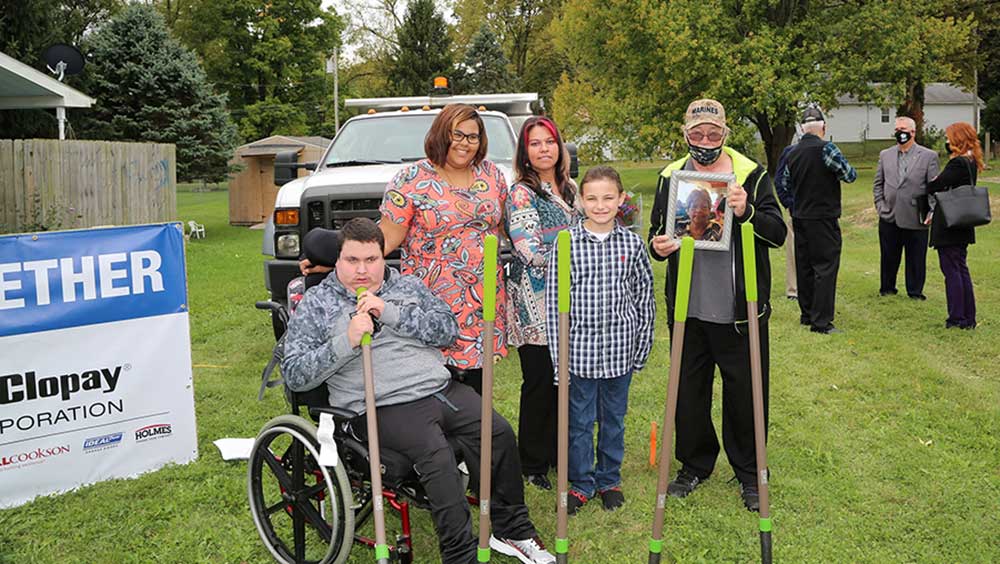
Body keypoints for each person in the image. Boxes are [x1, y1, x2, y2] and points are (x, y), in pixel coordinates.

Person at [282, 218, 555, 564]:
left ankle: (512, 529)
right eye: (352, 260)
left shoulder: (408, 287)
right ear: (338, 259)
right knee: (436, 454)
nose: (362, 270)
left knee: (497, 431)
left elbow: (447, 331)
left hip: (438, 388)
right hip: (379, 403)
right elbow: (294, 374)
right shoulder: (316, 303)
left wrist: (391, 312)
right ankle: (460, 555)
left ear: (384, 257)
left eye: (371, 259)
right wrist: (346, 340)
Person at [648, 99, 786, 512]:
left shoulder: (749, 173)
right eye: (696, 134)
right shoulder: (671, 175)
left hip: (739, 310)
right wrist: (658, 247)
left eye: (713, 133)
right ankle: (694, 465)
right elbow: (659, 234)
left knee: (746, 393)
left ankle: (749, 472)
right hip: (688, 307)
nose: (704, 141)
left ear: (725, 134)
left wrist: (746, 212)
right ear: (685, 133)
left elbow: (777, 233)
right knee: (689, 392)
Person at [545, 166, 655, 514]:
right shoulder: (566, 243)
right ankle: (582, 482)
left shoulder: (633, 244)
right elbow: (554, 306)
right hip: (579, 355)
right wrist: (559, 360)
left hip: (619, 353)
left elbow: (644, 298)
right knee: (578, 422)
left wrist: (641, 348)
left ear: (621, 199)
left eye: (608, 197)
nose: (600, 205)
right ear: (580, 201)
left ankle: (609, 479)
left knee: (614, 420)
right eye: (592, 198)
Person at [379, 103, 509, 394]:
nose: (465, 143)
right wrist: (340, 262)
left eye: (473, 137)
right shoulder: (411, 179)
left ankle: (478, 441)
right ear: (441, 134)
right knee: (434, 386)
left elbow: (508, 229)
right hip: (432, 301)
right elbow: (387, 237)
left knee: (477, 391)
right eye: (457, 134)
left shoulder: (493, 177)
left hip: (481, 300)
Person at [505, 116, 580, 491]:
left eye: (549, 141)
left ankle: (557, 452)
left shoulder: (572, 190)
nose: (544, 149)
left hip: (571, 298)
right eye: (535, 143)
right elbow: (529, 249)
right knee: (538, 379)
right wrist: (578, 253)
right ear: (525, 152)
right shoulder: (522, 193)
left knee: (564, 379)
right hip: (533, 300)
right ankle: (532, 462)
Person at [778, 107, 857, 334]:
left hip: (800, 215)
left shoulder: (791, 152)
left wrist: (793, 204)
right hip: (823, 216)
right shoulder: (827, 149)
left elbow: (783, 183)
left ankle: (807, 313)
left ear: (802, 129)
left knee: (804, 267)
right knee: (825, 267)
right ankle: (821, 321)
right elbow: (849, 175)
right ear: (823, 127)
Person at [873, 116, 940, 300]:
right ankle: (887, 288)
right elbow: (878, 184)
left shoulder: (928, 156)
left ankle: (915, 291)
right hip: (889, 214)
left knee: (916, 257)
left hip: (916, 215)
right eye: (896, 129)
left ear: (912, 132)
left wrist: (932, 210)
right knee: (888, 256)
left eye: (903, 129)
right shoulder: (885, 155)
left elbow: (934, 188)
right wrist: (880, 206)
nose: (899, 132)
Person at [926, 122, 983, 329]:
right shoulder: (971, 161)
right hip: (963, 222)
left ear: (957, 139)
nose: (947, 141)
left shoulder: (958, 163)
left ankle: (957, 317)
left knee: (951, 270)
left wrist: (932, 181)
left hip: (950, 223)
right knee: (960, 268)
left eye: (950, 137)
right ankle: (968, 317)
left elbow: (936, 185)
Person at [774, 134, 800, 301]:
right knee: (793, 249)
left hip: (820, 212)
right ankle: (794, 290)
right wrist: (789, 204)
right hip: (796, 210)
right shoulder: (790, 152)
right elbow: (780, 180)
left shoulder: (827, 151)